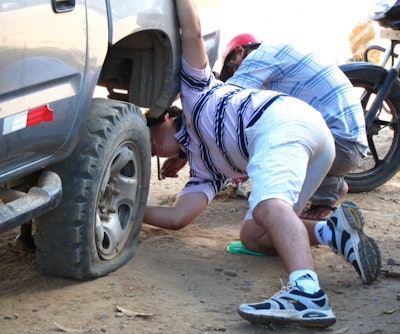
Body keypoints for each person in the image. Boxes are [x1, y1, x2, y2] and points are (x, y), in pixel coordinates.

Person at [145, 0, 381, 328]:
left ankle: (307, 293)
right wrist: (129, 211)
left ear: (168, 116)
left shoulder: (194, 93)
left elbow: (193, 32)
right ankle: (334, 231)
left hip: (280, 122)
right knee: (254, 235)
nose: (152, 146)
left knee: (267, 207)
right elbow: (176, 217)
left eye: (150, 131)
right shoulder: (205, 168)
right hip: (315, 141)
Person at [219, 34, 369, 220]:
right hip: (349, 146)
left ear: (240, 51)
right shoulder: (280, 55)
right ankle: (330, 187)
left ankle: (318, 196)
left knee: (264, 133)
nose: (235, 74)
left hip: (338, 144)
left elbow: (225, 104)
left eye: (233, 69)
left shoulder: (257, 57)